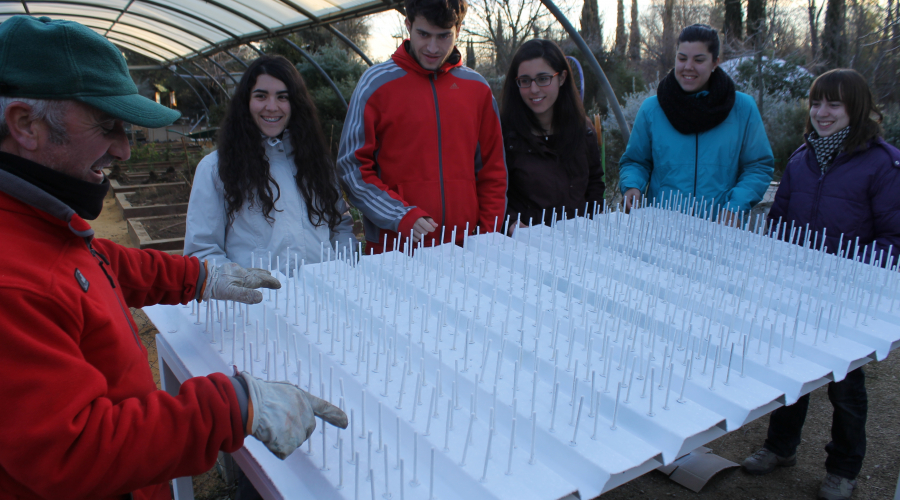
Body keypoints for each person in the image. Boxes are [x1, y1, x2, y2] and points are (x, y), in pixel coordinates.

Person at [0, 16, 346, 500]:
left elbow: (99, 262)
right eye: (106, 126)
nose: (123, 148)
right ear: (25, 124)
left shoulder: (37, 220)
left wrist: (201, 276)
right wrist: (237, 405)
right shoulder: (11, 282)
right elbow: (75, 451)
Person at [741, 68, 900, 500]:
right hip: (795, 290)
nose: (821, 113)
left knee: (846, 388)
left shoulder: (882, 163)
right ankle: (780, 447)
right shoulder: (801, 159)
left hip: (846, 297)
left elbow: (892, 238)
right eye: (816, 102)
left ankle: (843, 468)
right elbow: (779, 224)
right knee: (790, 374)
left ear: (857, 108)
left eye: (833, 104)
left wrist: (849, 276)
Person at [337, 0, 507, 253]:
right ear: (408, 25)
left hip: (465, 247)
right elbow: (352, 168)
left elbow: (493, 172)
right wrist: (400, 215)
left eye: (444, 36)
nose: (433, 47)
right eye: (423, 34)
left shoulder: (477, 89)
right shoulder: (375, 84)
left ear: (458, 30)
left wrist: (486, 237)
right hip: (393, 248)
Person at [185, 55, 355, 273]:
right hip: (259, 303)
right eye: (261, 96)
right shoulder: (216, 168)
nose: (272, 106)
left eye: (282, 97)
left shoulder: (316, 162)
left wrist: (343, 270)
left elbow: (340, 225)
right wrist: (247, 289)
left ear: (296, 103)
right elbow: (202, 250)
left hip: (322, 298)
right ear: (246, 101)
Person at [618, 24, 774, 221]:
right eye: (682, 58)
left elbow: (758, 166)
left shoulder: (743, 108)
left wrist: (736, 204)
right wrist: (632, 185)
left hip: (719, 229)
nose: (688, 67)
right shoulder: (652, 109)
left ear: (715, 62)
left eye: (699, 60)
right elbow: (636, 161)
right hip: (661, 226)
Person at [499, 39, 605, 231]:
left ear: (562, 78)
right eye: (525, 80)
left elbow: (594, 183)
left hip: (576, 243)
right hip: (526, 246)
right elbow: (493, 189)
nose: (534, 89)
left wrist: (592, 224)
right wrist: (510, 222)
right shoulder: (505, 135)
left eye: (543, 78)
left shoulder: (582, 129)